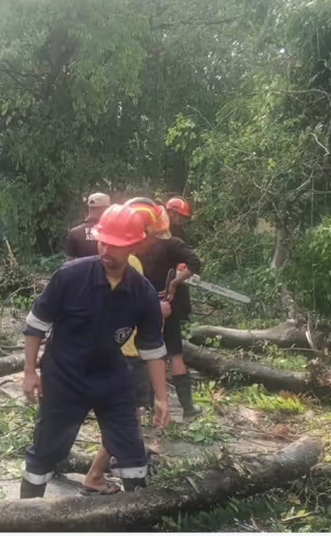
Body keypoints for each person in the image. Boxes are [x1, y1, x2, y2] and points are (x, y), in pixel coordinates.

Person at [20, 204, 170, 499]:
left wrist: (162, 398)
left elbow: (152, 348)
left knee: (131, 451)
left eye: (117, 245)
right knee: (47, 449)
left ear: (134, 246)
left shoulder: (143, 292)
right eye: (104, 241)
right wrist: (29, 371)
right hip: (64, 377)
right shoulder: (70, 276)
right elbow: (35, 325)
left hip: (112, 378)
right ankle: (25, 517)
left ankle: (135, 517)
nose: (107, 250)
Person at [79, 199, 173, 496]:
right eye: (153, 235)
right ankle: (96, 475)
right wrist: (158, 310)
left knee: (127, 418)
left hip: (119, 352)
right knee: (126, 419)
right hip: (129, 355)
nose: (154, 242)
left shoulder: (118, 260)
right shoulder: (127, 261)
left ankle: (129, 462)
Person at [138, 199, 203, 418]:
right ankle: (187, 409)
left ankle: (145, 405)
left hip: (145, 304)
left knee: (145, 352)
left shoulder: (138, 245)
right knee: (175, 353)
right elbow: (196, 262)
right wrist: (175, 282)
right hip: (167, 305)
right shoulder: (174, 243)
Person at [64, 192, 110, 260]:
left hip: (81, 270)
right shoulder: (111, 233)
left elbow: (69, 263)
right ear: (105, 209)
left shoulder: (75, 232)